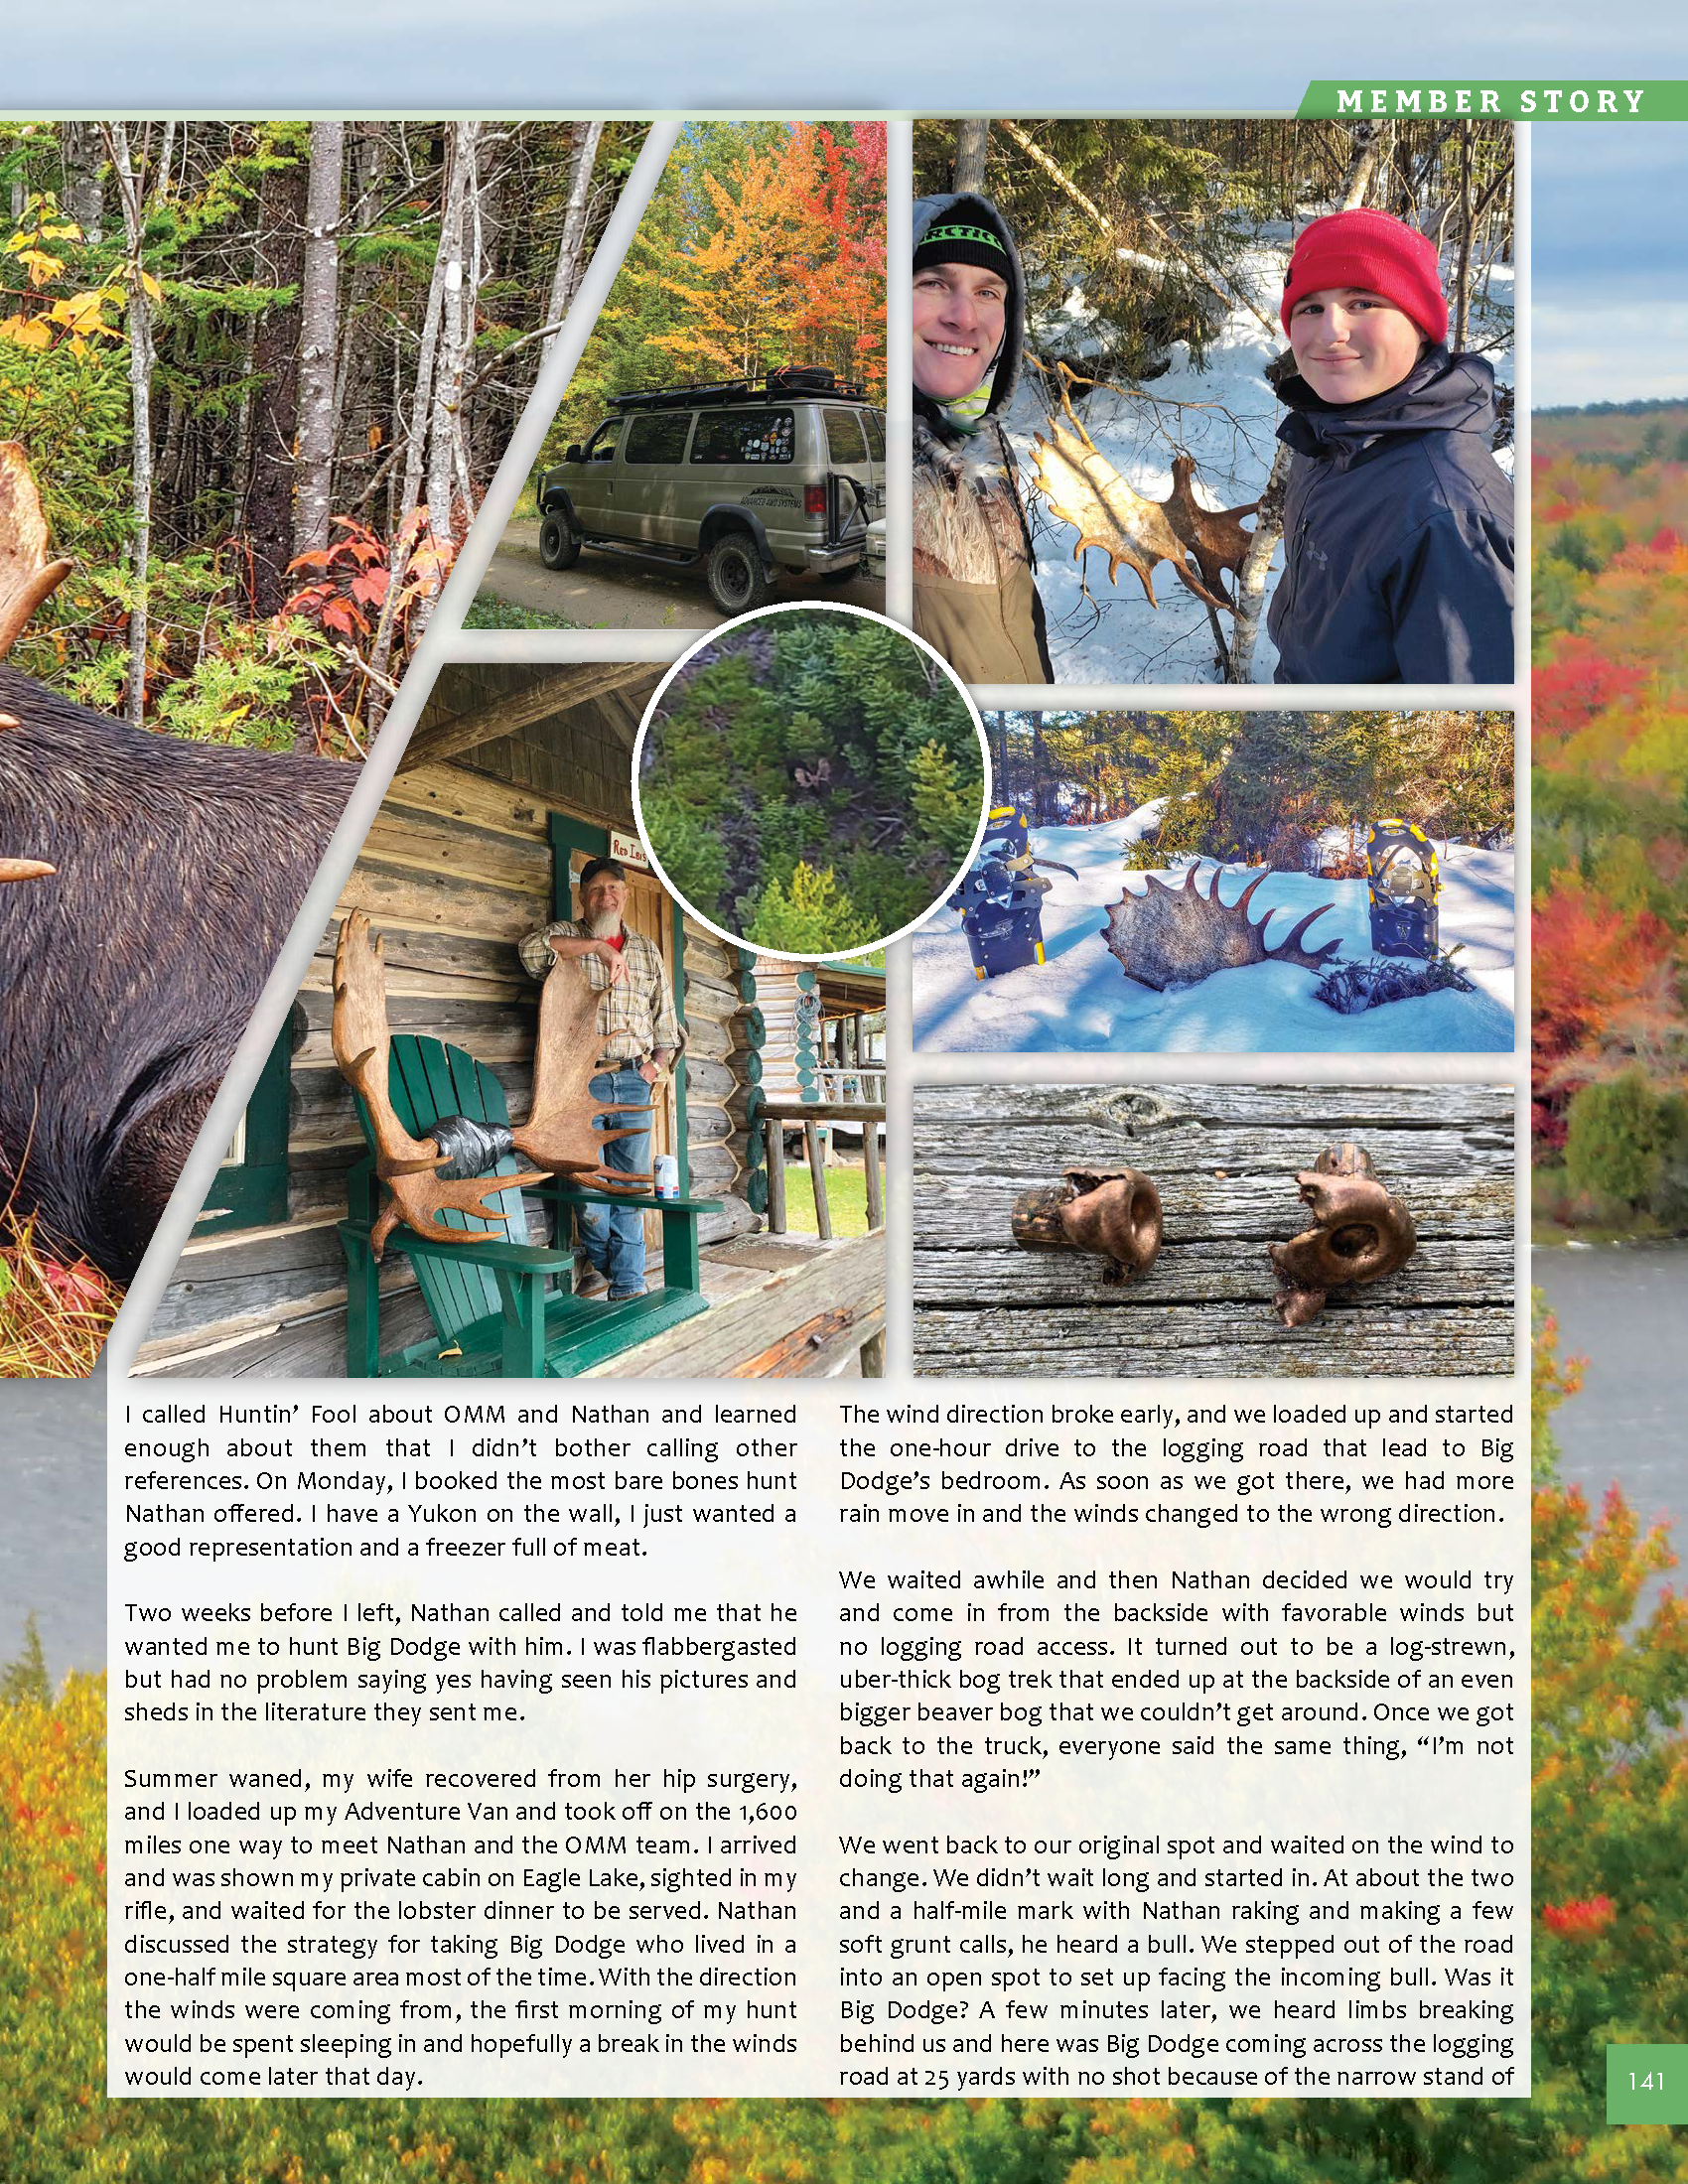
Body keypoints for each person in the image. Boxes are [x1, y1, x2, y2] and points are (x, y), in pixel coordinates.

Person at [1268, 207, 1514, 684]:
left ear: (1421, 324)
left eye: (1362, 302)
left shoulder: (1448, 515)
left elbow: (1464, 723)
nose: (1330, 331)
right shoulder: (1332, 438)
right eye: (1310, 307)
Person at [517, 857, 682, 1301]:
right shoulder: (566, 937)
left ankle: (628, 1285)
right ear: (582, 896)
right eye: (595, 889)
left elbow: (667, 1026)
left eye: (614, 888)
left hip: (633, 1079)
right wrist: (597, 948)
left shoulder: (648, 952)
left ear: (625, 896)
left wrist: (655, 1068)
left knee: (628, 1184)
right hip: (578, 1083)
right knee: (586, 1190)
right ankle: (619, 1270)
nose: (605, 896)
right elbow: (529, 953)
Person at [912, 192, 1054, 684]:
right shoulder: (861, 458)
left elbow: (1021, 620)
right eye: (933, 282)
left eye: (989, 292)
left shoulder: (991, 444)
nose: (964, 317)